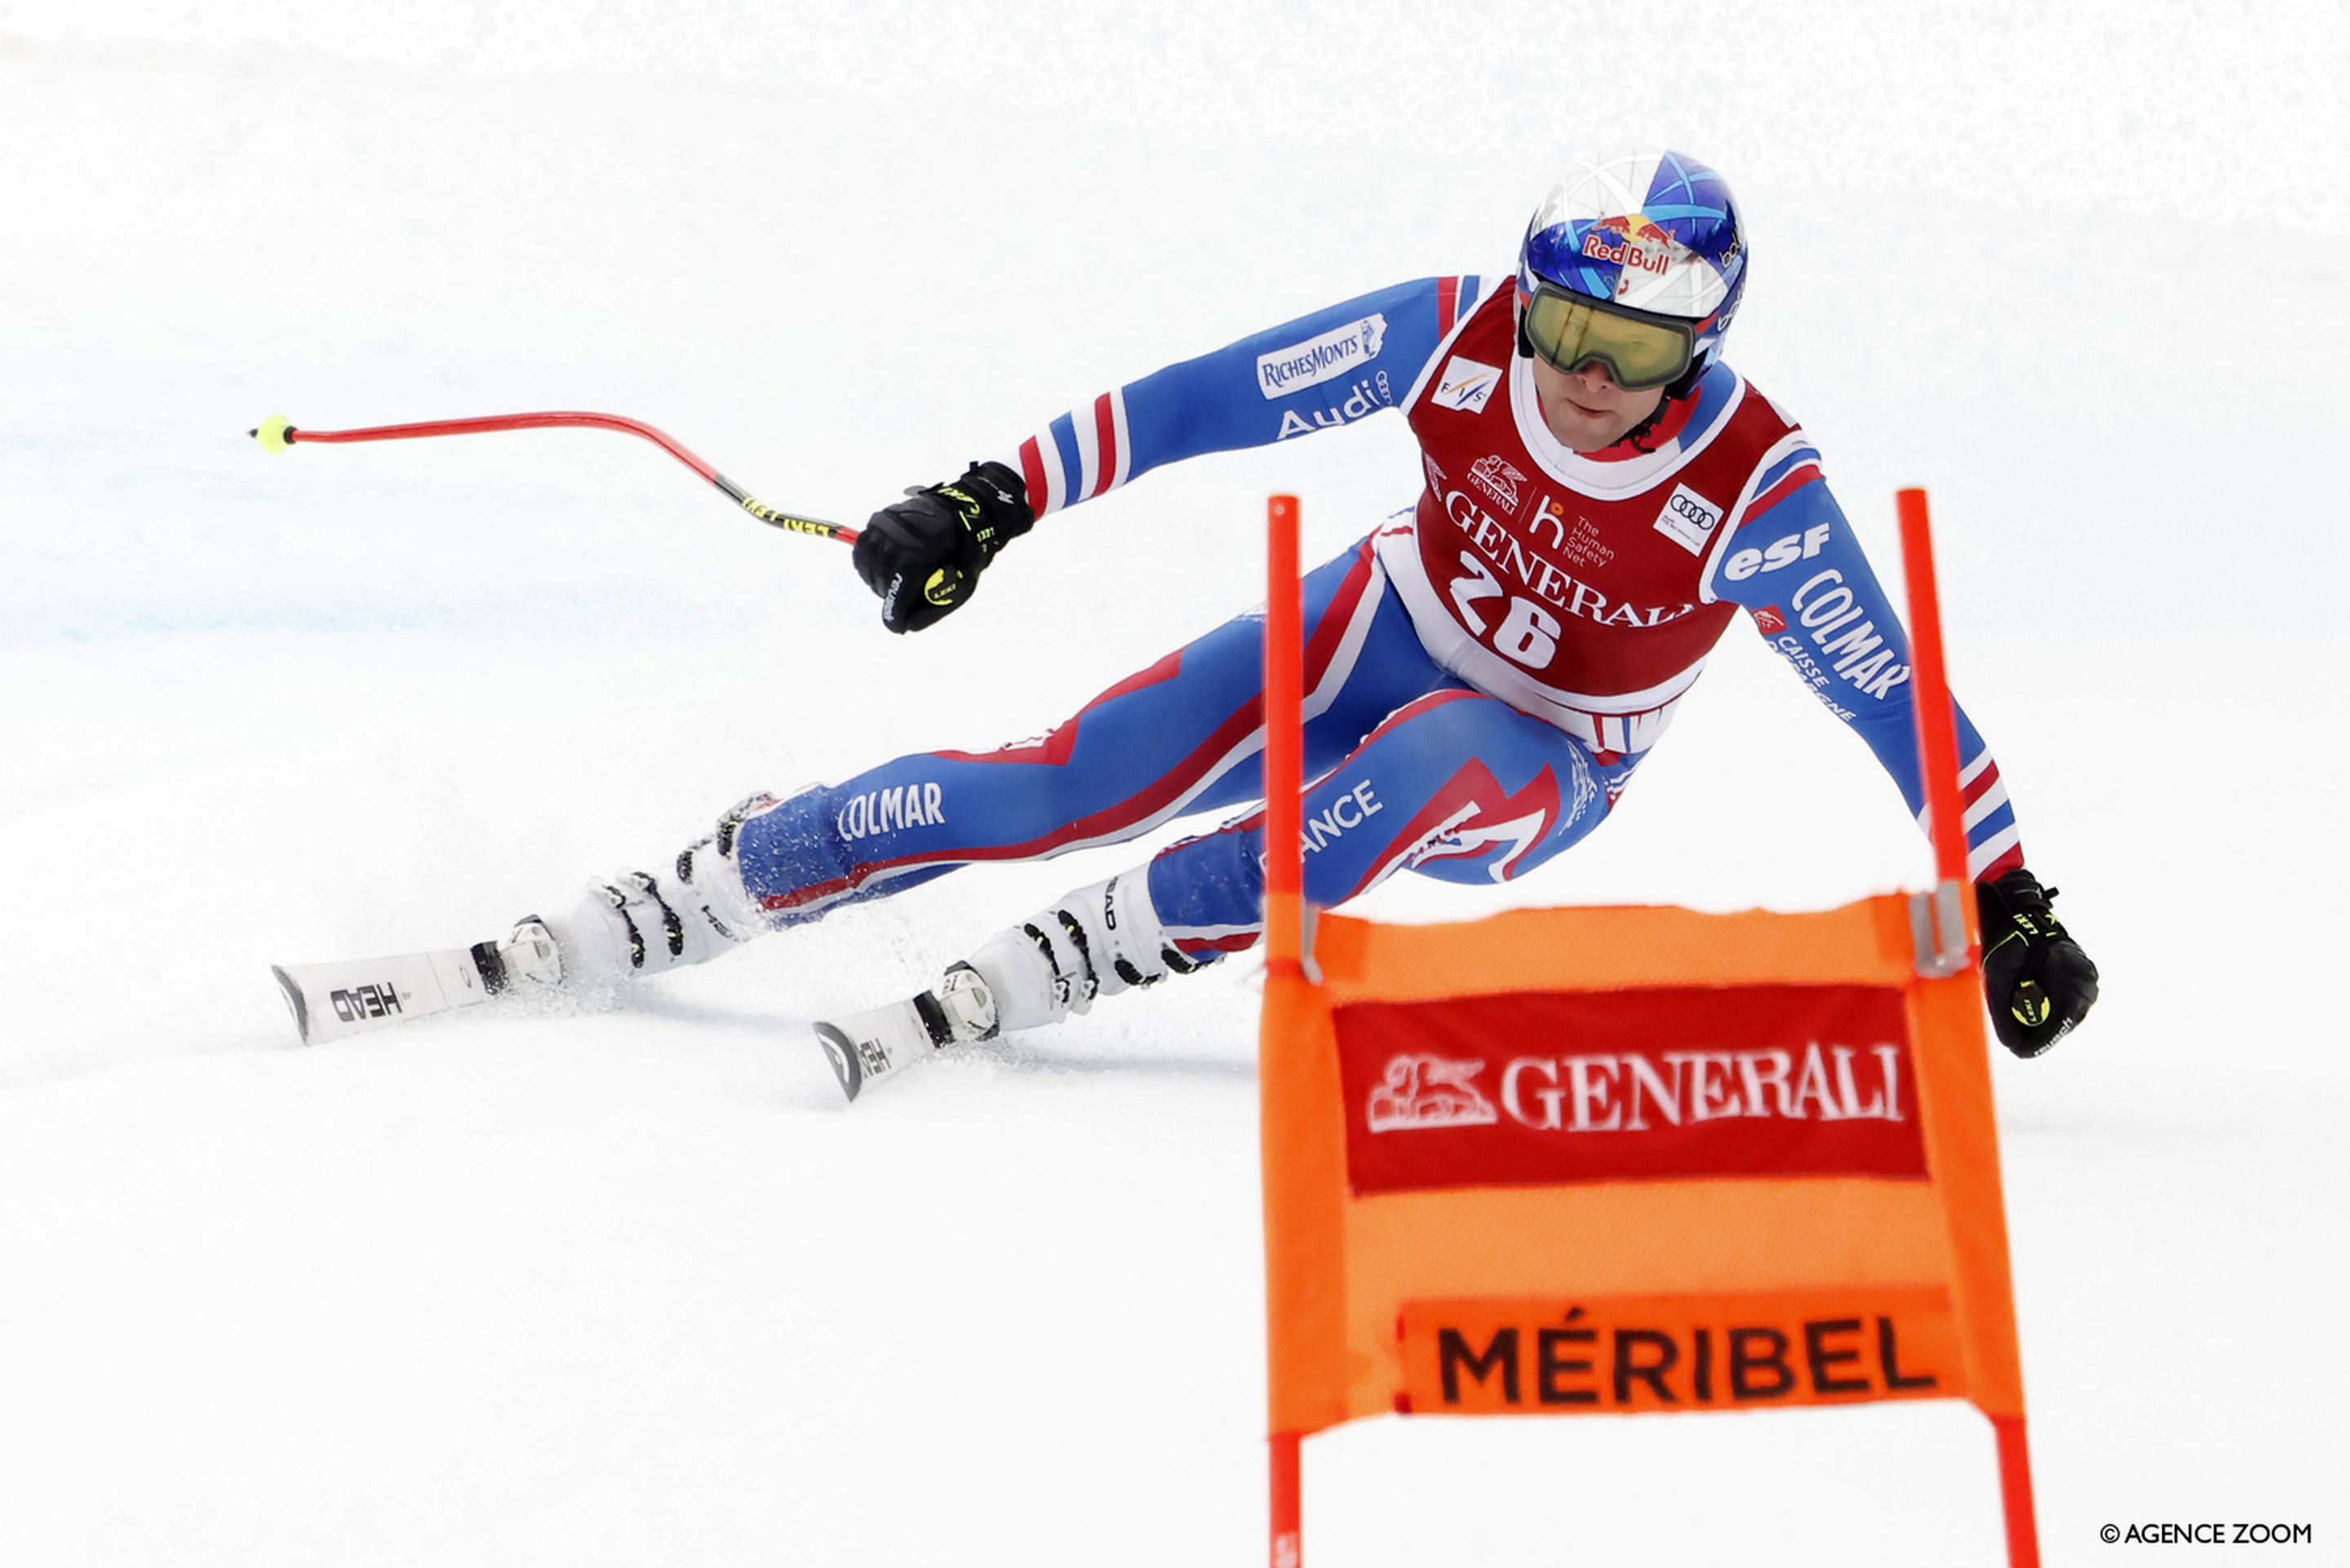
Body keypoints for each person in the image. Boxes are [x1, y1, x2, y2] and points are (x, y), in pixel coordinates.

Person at [505, 146, 2099, 1098]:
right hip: (1375, 623)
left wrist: (2008, 891)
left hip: (1540, 752)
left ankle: (1087, 949)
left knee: (1403, 777)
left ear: (1705, 345)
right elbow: (1215, 398)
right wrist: (995, 497)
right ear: (1525, 294)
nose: (1586, 377)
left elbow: (1893, 692)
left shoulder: (1752, 485)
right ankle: (725, 875)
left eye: (1636, 349)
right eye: (1564, 326)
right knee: (1064, 777)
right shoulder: (1453, 335)